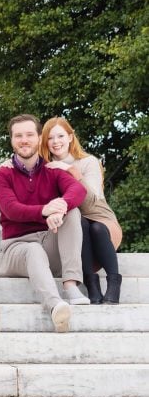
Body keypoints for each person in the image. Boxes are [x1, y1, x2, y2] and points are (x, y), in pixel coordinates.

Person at [0, 114, 89, 332]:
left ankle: (71, 285)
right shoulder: (1, 174)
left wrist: (61, 206)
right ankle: (56, 307)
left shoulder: (52, 170)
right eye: (18, 136)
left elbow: (78, 190)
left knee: (72, 213)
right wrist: (45, 211)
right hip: (16, 248)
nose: (24, 140)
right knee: (33, 249)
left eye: (29, 135)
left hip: (48, 242)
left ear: (38, 139)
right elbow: (11, 209)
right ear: (12, 140)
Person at [40, 116, 122, 304]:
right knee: (79, 222)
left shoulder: (88, 162)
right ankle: (92, 285)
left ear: (70, 137)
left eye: (60, 136)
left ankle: (114, 283)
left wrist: (70, 170)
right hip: (72, 225)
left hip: (100, 217)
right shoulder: (44, 167)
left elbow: (92, 200)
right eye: (50, 138)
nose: (55, 142)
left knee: (96, 228)